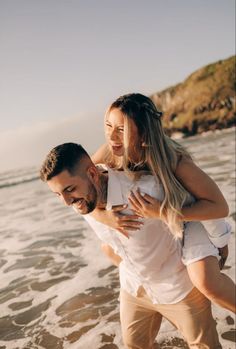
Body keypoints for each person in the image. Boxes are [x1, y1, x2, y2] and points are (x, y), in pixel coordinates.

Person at [40, 142, 222, 349]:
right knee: (134, 345)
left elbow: (200, 206)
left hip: (177, 287)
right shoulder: (81, 201)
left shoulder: (146, 191)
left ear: (92, 173)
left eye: (69, 189)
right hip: (134, 288)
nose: (66, 201)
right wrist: (102, 215)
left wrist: (219, 245)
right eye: (58, 194)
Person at [91, 93, 235, 313]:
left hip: (191, 217)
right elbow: (76, 189)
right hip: (160, 224)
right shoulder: (109, 154)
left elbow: (219, 207)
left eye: (122, 129)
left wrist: (163, 212)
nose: (112, 136)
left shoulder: (173, 160)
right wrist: (104, 217)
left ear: (144, 133)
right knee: (109, 249)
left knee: (206, 281)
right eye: (108, 125)